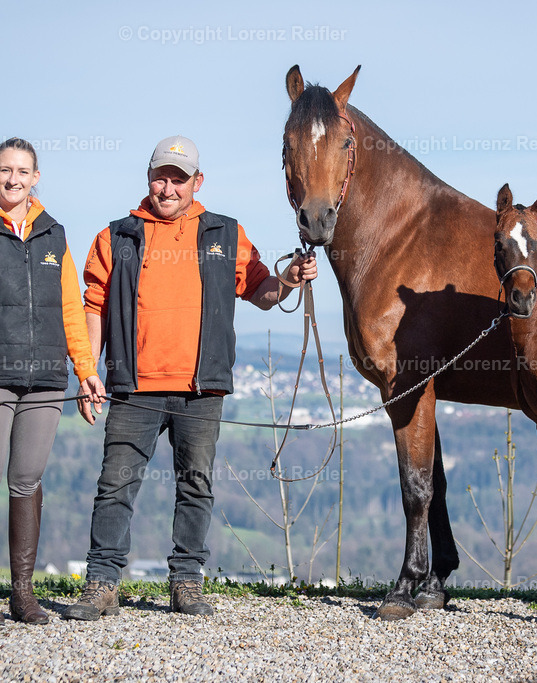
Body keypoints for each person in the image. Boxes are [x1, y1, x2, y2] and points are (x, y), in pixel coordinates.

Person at [64, 136, 317, 620]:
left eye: (179, 179)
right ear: (149, 178)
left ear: (197, 182)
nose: (168, 187)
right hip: (132, 386)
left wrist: (290, 278)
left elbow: (261, 291)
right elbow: (92, 305)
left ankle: (185, 583)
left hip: (202, 385)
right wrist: (87, 371)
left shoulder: (226, 233)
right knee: (115, 483)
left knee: (196, 484)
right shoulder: (116, 236)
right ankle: (101, 585)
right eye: (161, 176)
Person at [0, 137, 106, 625]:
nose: (13, 179)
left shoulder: (54, 235)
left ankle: (23, 594)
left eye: (23, 171)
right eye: (5, 171)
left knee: (27, 481)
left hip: (46, 382)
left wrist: (86, 370)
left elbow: (72, 312)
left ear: (36, 178)